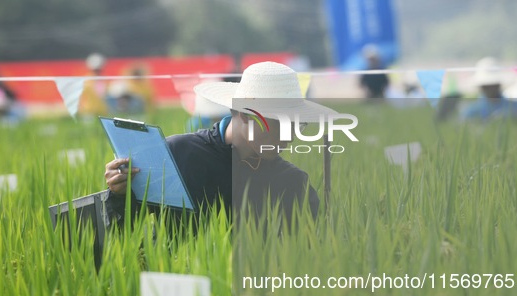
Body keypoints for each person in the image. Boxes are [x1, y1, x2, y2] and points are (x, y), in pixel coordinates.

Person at [103, 61, 338, 230]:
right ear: (244, 115)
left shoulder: (293, 184)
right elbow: (124, 235)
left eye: (298, 126)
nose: (290, 137)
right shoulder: (177, 155)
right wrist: (121, 195)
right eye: (280, 125)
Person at [460, 57, 517, 121]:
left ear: (499, 85)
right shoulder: (471, 112)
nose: (491, 89)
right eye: (486, 86)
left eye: (493, 85)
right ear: (481, 87)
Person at [78, 53, 109, 118]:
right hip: (89, 112)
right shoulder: (86, 80)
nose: (98, 70)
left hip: (102, 111)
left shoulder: (105, 79)